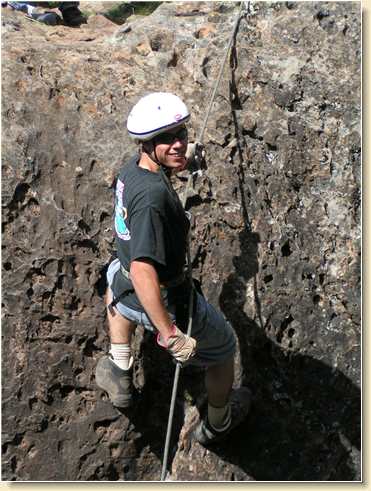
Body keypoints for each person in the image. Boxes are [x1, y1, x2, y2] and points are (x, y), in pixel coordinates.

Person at [95, 92, 251, 446]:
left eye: (181, 133)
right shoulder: (152, 199)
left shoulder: (130, 171)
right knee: (224, 349)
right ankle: (218, 422)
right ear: (147, 144)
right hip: (161, 297)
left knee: (114, 272)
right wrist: (169, 334)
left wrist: (178, 158)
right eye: (166, 139)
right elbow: (143, 271)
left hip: (123, 291)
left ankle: (119, 367)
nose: (178, 143)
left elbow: (130, 268)